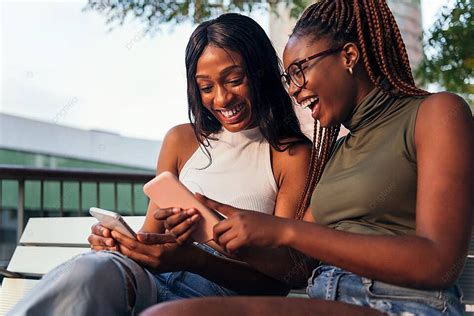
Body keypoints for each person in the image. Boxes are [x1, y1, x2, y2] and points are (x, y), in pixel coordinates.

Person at [143, 1, 474, 315]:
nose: (294, 89)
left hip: (396, 302)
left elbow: (438, 262)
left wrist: (285, 231)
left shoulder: (436, 113)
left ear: (349, 56)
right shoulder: (335, 153)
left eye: (300, 70)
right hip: (327, 299)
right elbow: (297, 269)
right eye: (289, 77)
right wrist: (227, 233)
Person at [8, 14, 312, 316]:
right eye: (206, 87)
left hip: (216, 298)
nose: (221, 98)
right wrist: (121, 244)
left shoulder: (291, 156)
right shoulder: (181, 140)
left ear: (260, 73)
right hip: (151, 280)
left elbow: (280, 281)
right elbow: (149, 235)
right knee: (91, 270)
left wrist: (193, 258)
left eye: (234, 80)